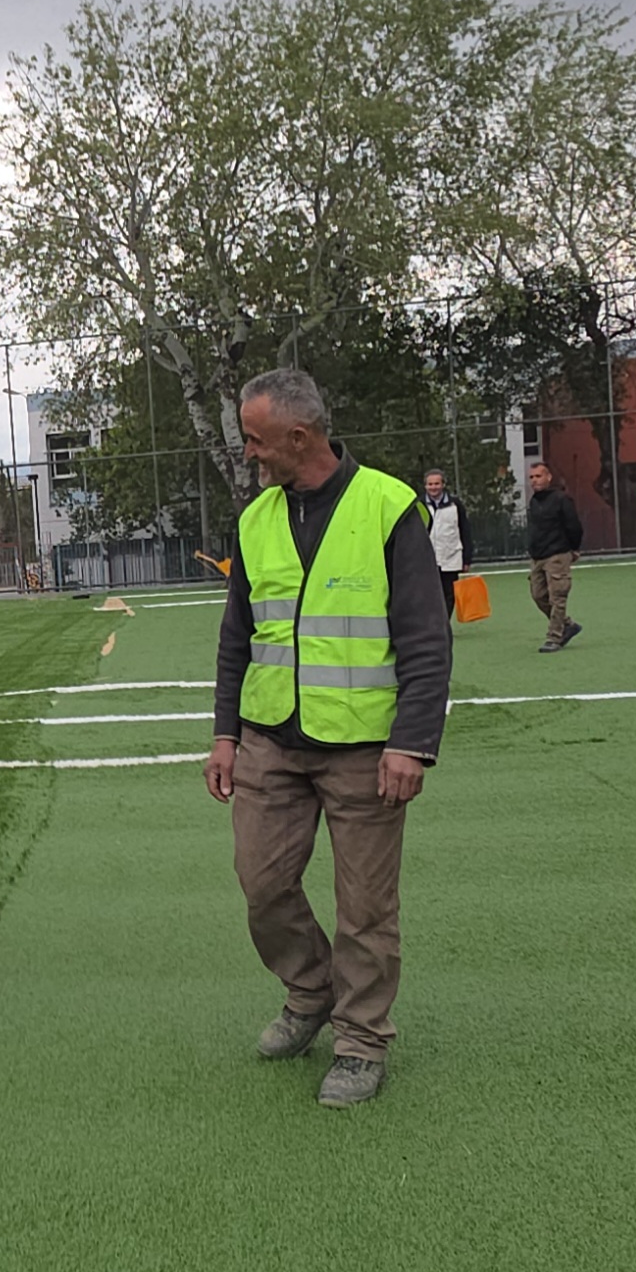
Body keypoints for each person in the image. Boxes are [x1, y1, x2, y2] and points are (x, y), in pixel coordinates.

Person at [202, 370, 451, 1108]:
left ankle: (361, 1041)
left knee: (365, 907)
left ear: (299, 437)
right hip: (270, 742)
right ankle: (310, 991)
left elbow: (426, 638)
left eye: (255, 439)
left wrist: (411, 742)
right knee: (261, 882)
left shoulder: (387, 508)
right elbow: (235, 639)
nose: (249, 453)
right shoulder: (255, 520)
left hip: (365, 749)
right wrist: (224, 735)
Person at [526, 461, 584, 652]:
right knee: (538, 595)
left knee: (557, 597)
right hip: (538, 557)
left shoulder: (561, 499)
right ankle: (567, 625)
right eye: (531, 477)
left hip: (557, 555)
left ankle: (554, 638)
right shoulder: (533, 502)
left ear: (548, 477)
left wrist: (573, 549)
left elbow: (574, 526)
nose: (535, 480)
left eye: (538, 476)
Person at [423, 468, 474, 617]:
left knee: (449, 594)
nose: (433, 487)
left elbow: (465, 531)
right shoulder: (418, 505)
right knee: (429, 594)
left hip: (451, 557)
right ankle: (433, 622)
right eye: (430, 484)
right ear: (425, 486)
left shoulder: (455, 505)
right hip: (427, 558)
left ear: (443, 484)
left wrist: (467, 558)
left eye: (437, 483)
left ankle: (444, 623)